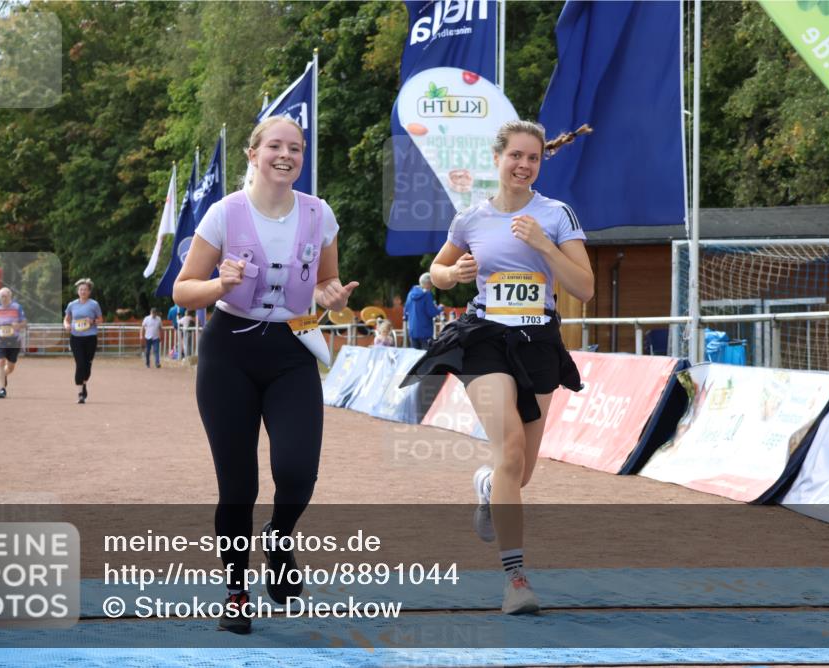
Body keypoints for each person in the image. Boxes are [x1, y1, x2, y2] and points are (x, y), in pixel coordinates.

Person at [173, 116, 357, 634]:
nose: (286, 155)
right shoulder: (224, 214)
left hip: (292, 346)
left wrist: (332, 296)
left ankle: (279, 537)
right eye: (274, 145)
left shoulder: (320, 215)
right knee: (238, 485)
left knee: (298, 472)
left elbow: (325, 281)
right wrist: (217, 285)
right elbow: (182, 289)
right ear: (253, 154)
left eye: (295, 148)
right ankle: (236, 590)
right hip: (229, 350)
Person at [402, 120, 594, 615]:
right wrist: (453, 272)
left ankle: (488, 485)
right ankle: (516, 581)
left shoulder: (556, 215)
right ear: (498, 158)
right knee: (507, 447)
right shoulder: (470, 220)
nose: (524, 165)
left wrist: (545, 246)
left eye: (532, 158)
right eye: (516, 156)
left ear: (540, 163)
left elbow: (584, 288)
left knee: (519, 471)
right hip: (485, 339)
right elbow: (436, 273)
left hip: (538, 342)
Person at [63, 278, 103, 404]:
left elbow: (101, 320)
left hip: (90, 337)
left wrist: (93, 321)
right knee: (80, 364)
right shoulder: (72, 304)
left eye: (85, 290)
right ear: (77, 291)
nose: (83, 292)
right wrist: (66, 326)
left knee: (87, 365)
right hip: (76, 337)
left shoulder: (94, 304)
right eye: (80, 289)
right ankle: (80, 393)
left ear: (89, 292)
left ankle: (84, 383)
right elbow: (66, 319)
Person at [0, 288, 27, 398]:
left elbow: (24, 322)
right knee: (0, 361)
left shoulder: (17, 307)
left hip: (14, 340)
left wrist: (18, 325)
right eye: (2, 296)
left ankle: (4, 374)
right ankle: (2, 389)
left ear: (10, 296)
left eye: (5, 296)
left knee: (10, 367)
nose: (3, 298)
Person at [404, 273, 443, 350]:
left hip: (412, 330)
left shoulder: (410, 294)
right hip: (425, 331)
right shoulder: (427, 294)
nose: (432, 286)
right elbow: (431, 312)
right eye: (431, 283)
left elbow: (406, 311)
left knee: (415, 357)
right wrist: (439, 309)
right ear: (428, 283)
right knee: (425, 357)